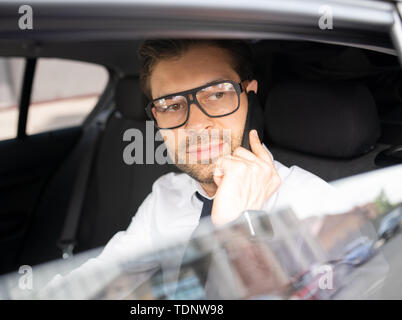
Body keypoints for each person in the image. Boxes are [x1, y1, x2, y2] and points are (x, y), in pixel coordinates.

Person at [41, 39, 342, 298]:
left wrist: (237, 231)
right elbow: (97, 280)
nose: (197, 125)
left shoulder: (315, 206)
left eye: (217, 94)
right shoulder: (166, 194)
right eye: (172, 105)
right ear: (157, 119)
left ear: (248, 95)